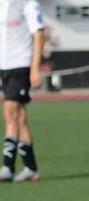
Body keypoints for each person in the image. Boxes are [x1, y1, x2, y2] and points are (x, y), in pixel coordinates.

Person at [0, 0, 44, 183]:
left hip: (21, 65)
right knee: (19, 118)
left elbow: (39, 36)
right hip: (4, 65)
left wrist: (35, 69)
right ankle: (31, 168)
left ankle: (7, 168)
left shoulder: (28, 4)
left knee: (9, 112)